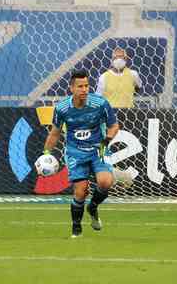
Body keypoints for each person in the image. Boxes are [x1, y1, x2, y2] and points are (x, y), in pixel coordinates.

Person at [40, 70, 119, 238]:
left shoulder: (100, 104)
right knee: (80, 191)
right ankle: (76, 229)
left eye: (87, 85)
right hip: (75, 151)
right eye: (80, 86)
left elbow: (114, 126)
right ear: (72, 88)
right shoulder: (62, 108)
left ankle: (93, 207)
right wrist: (46, 153)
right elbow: (55, 133)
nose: (84, 89)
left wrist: (108, 139)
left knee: (105, 182)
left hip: (99, 148)